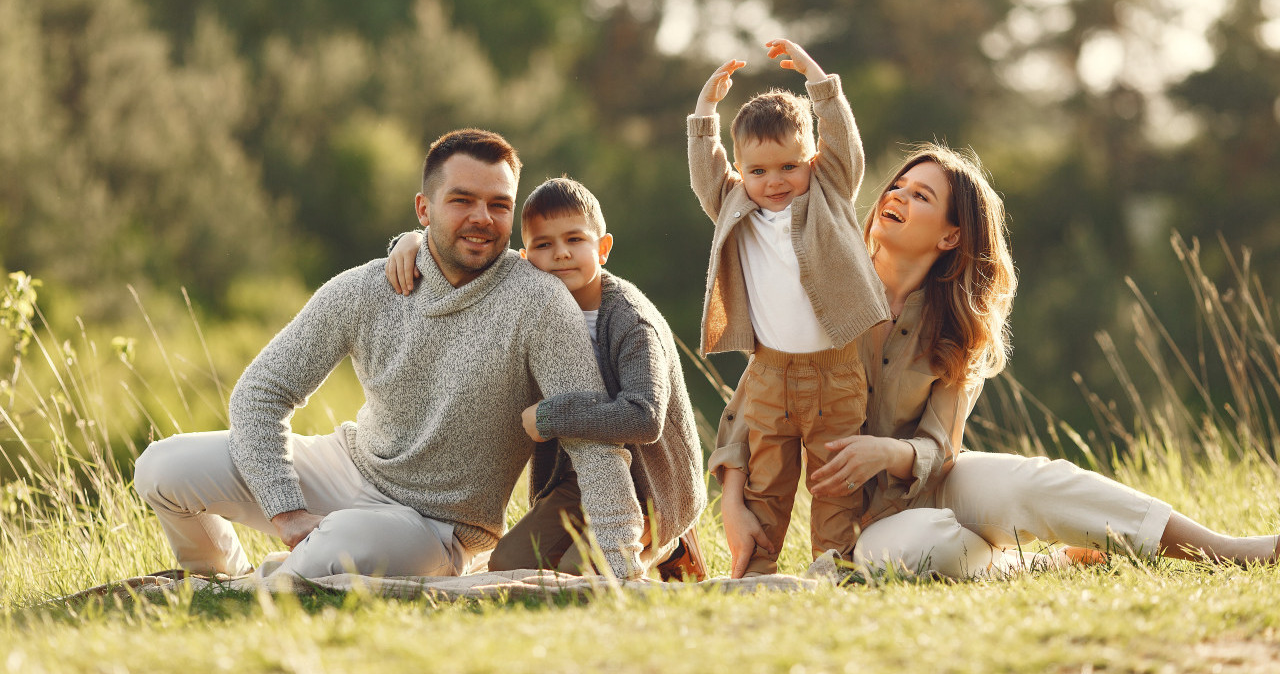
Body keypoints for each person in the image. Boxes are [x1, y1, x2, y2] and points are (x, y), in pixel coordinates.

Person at [713, 143, 1280, 579]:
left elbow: (942, 448)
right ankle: (1037, 565)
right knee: (906, 551)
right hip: (861, 524)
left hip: (933, 482)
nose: (896, 197)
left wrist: (888, 451)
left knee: (1033, 483)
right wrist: (734, 503)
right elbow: (757, 400)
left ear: (950, 237)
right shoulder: (820, 290)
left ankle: (1224, 549)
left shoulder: (957, 327)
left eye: (920, 197)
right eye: (898, 186)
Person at [133, 128, 649, 581]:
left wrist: (624, 567)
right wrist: (286, 510)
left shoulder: (540, 301)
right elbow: (261, 392)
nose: (482, 218)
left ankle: (272, 584)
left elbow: (593, 442)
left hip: (432, 528)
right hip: (347, 468)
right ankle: (219, 582)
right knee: (161, 467)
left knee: (335, 551)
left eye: (499, 204)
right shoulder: (363, 288)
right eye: (461, 200)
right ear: (423, 209)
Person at [386, 176, 709, 580]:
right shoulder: (533, 307)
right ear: (525, 259)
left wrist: (553, 417)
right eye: (543, 245)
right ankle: (610, 540)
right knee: (508, 564)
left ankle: (669, 547)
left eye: (575, 240)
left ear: (603, 248)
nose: (560, 254)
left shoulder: (630, 322)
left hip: (649, 487)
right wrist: (413, 241)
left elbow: (644, 417)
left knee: (584, 573)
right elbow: (469, 259)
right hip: (577, 480)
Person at [687, 38, 891, 575]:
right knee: (766, 480)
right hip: (771, 373)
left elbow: (845, 143)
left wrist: (818, 81)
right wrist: (705, 112)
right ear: (740, 170)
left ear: (813, 161)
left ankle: (833, 562)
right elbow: (706, 172)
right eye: (757, 171)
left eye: (788, 167)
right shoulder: (734, 205)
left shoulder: (829, 189)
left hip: (837, 371)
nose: (774, 182)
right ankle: (759, 569)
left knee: (835, 478)